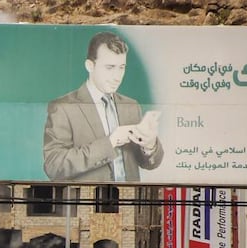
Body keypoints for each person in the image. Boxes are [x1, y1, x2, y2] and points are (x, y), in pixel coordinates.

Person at [43, 31, 164, 182]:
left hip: (128, 203)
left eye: (121, 67)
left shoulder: (131, 106)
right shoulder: (63, 107)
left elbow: (149, 163)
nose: (117, 76)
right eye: (110, 67)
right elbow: (54, 166)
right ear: (89, 66)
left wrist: (149, 144)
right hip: (86, 204)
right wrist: (111, 141)